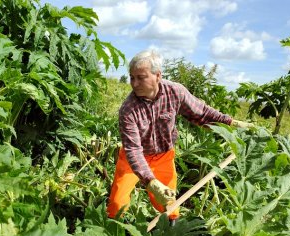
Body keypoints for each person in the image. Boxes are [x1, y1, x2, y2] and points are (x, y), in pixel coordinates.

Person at [106, 49, 253, 222]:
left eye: (141, 77)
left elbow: (202, 113)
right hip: (133, 160)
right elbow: (133, 151)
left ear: (158, 76)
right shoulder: (128, 109)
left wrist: (232, 124)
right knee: (117, 203)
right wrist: (151, 183)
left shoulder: (175, 92)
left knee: (168, 203)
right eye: (132, 77)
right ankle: (113, 232)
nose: (135, 83)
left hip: (163, 156)